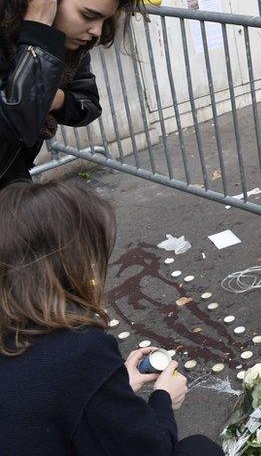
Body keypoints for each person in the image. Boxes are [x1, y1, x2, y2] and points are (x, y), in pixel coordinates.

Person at [0, 180, 222, 455]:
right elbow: (150, 448)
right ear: (69, 264)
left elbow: (46, 402)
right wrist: (164, 398)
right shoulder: (79, 349)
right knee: (200, 449)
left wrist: (112, 388)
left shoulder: (15, 329)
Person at [0, 0, 145, 189]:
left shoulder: (67, 45)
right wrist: (39, 34)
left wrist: (58, 100)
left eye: (105, 20)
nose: (97, 32)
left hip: (12, 178)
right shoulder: (38, 38)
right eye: (89, 16)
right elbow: (15, 125)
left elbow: (88, 104)